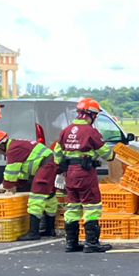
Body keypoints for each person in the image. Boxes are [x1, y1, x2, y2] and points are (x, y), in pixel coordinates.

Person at [53, 98, 116, 253]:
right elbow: (107, 154)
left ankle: (71, 243)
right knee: (92, 206)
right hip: (85, 173)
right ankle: (91, 243)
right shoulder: (91, 132)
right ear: (92, 115)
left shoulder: (66, 131)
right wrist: (112, 154)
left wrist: (61, 172)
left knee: (73, 206)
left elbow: (57, 155)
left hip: (70, 174)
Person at [8, 124, 59, 241]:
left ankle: (33, 232)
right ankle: (50, 229)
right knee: (49, 196)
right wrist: (20, 181)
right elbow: (26, 167)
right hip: (49, 163)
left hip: (46, 165)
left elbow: (11, 172)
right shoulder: (18, 145)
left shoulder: (13, 150)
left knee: (36, 197)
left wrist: (8, 186)